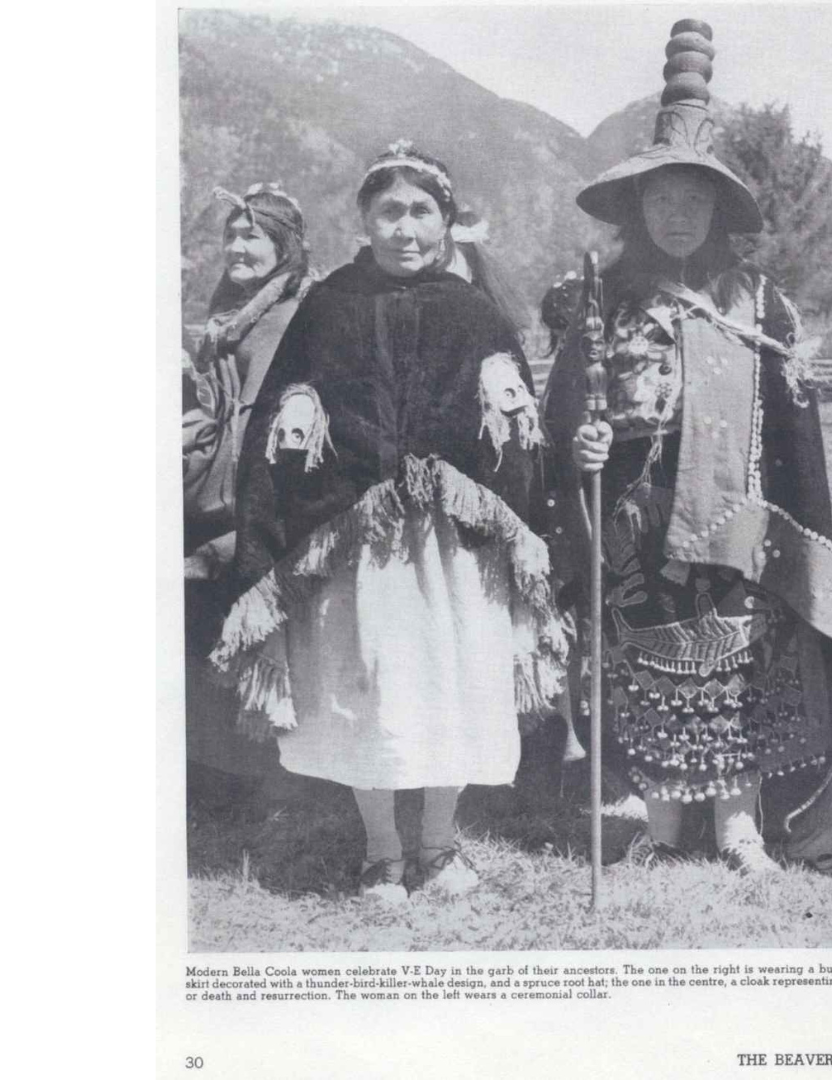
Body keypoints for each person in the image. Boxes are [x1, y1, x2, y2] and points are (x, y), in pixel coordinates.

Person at [542, 20, 832, 874]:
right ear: (636, 206)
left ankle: (738, 827)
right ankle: (664, 824)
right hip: (636, 519)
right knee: (645, 669)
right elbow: (566, 407)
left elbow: (792, 426)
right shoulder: (604, 301)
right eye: (662, 199)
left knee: (736, 672)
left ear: (719, 209)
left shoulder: (758, 304)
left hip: (733, 520)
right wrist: (583, 440)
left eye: (695, 199)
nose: (678, 214)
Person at [211, 141, 568, 902]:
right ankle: (381, 853)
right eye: (390, 211)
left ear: (445, 222)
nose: (406, 229)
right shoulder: (330, 305)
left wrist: (511, 518)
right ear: (366, 219)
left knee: (452, 676)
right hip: (355, 541)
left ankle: (438, 846)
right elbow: (281, 413)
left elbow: (519, 440)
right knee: (368, 681)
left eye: (421, 212)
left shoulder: (474, 314)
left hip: (453, 545)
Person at [183, 182, 319, 783]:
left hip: (261, 490)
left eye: (253, 235)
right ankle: (220, 769)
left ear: (285, 246)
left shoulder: (292, 315)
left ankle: (268, 776)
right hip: (212, 488)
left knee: (258, 621)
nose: (238, 247)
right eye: (231, 235)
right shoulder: (228, 314)